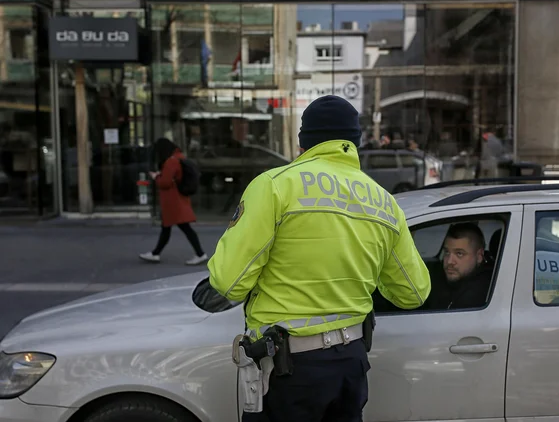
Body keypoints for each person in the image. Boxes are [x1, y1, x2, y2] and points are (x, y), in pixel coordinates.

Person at [208, 95, 431, 422]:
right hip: (351, 365)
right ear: (355, 142)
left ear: (303, 142)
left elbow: (229, 283)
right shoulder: (385, 202)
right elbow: (414, 293)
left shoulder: (274, 186)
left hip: (290, 371)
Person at [139, 138, 208, 265]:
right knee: (169, 227)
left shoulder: (171, 161)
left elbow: (164, 182)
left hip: (173, 201)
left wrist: (156, 177)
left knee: (182, 227)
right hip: (177, 199)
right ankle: (156, 253)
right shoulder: (178, 157)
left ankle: (200, 254)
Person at [442, 223, 492, 310]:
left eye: (459, 253)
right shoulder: (441, 277)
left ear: (479, 256)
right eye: (447, 252)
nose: (449, 261)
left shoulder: (478, 295)